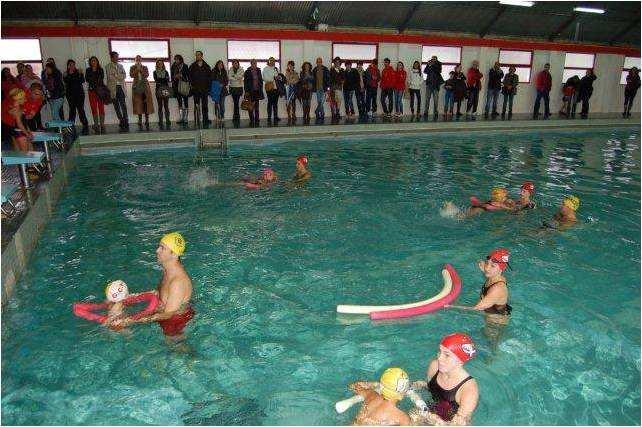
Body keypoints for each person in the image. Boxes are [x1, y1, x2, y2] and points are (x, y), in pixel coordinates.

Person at [111, 232, 194, 341]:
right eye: (159, 246)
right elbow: (158, 293)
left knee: (177, 349)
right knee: (116, 315)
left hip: (175, 320)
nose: (157, 251)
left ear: (173, 254)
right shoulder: (168, 271)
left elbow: (168, 314)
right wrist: (129, 298)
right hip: (162, 310)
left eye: (162, 248)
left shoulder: (178, 283)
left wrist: (131, 321)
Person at [410, 333, 478, 426]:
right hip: (431, 410)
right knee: (413, 415)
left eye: (447, 355)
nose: (440, 358)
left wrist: (436, 421)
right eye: (440, 352)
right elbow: (432, 389)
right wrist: (418, 385)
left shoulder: (469, 390)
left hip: (447, 422)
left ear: (460, 360)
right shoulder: (435, 366)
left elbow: (461, 423)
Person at [1, 88, 33, 152]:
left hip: (19, 131)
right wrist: (27, 133)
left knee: (25, 152)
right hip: (20, 132)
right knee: (26, 153)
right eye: (24, 98)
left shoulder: (17, 108)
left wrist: (28, 131)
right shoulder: (16, 110)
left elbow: (24, 122)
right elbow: (19, 124)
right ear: (18, 99)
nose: (25, 100)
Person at [63, 59, 89, 135]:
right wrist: (67, 76)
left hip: (80, 94)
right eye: (70, 65)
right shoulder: (65, 74)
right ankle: (70, 126)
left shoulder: (78, 72)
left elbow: (82, 80)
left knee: (81, 110)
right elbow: (67, 82)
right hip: (70, 95)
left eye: (73, 64)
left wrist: (81, 74)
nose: (72, 66)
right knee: (72, 111)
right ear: (68, 66)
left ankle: (85, 125)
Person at [105, 51, 129, 130]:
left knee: (123, 105)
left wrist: (116, 75)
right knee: (116, 106)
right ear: (112, 58)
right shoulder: (108, 66)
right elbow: (110, 77)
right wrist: (119, 76)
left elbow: (124, 75)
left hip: (121, 87)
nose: (117, 58)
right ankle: (121, 120)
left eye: (117, 56)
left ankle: (126, 120)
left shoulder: (121, 66)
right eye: (115, 56)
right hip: (113, 88)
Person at [130, 55, 154, 130]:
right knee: (138, 103)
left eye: (139, 59)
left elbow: (146, 75)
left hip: (145, 86)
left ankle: (147, 120)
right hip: (136, 87)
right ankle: (140, 120)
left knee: (146, 103)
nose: (138, 60)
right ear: (135, 60)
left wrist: (141, 70)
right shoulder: (132, 67)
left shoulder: (145, 67)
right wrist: (137, 69)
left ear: (141, 60)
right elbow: (131, 75)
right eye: (137, 59)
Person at [189, 51, 212, 126]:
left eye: (199, 55)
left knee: (205, 105)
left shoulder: (206, 66)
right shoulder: (192, 66)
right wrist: (192, 85)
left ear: (202, 56)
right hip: (196, 89)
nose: (197, 56)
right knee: (196, 105)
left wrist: (208, 88)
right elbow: (189, 77)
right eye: (196, 55)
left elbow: (210, 78)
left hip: (204, 89)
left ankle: (205, 119)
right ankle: (197, 120)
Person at [85, 56, 106, 134]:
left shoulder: (100, 69)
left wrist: (93, 80)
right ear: (90, 62)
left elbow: (101, 79)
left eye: (95, 61)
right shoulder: (88, 70)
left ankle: (102, 124)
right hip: (91, 91)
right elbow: (87, 79)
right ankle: (96, 124)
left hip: (100, 91)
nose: (93, 62)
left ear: (97, 61)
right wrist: (94, 80)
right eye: (92, 61)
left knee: (101, 107)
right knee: (93, 108)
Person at [171, 54, 190, 125]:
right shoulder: (173, 66)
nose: (176, 60)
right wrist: (175, 76)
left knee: (185, 101)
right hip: (176, 86)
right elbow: (172, 76)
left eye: (177, 59)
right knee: (179, 102)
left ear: (180, 59)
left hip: (184, 86)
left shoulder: (185, 66)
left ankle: (186, 118)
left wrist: (181, 76)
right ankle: (181, 117)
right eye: (175, 59)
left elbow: (188, 76)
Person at [243, 59, 264, 124]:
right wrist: (246, 91)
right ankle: (252, 119)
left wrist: (261, 88)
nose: (254, 64)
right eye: (253, 63)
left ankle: (257, 119)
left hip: (257, 91)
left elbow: (261, 80)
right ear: (251, 64)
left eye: (255, 63)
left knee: (257, 107)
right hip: (250, 91)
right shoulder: (247, 71)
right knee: (250, 106)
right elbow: (245, 82)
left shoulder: (259, 71)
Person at [154, 59, 172, 129]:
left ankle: (168, 120)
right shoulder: (154, 72)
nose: (160, 64)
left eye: (161, 63)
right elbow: (156, 80)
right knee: (160, 106)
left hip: (165, 89)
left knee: (166, 106)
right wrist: (163, 79)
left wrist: (162, 80)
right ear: (157, 64)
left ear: (163, 64)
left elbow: (167, 80)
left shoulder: (166, 72)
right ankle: (160, 120)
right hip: (158, 89)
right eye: (158, 63)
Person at [262, 57, 279, 122]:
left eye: (273, 61)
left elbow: (277, 77)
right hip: (269, 88)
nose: (272, 62)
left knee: (275, 103)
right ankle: (269, 117)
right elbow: (265, 78)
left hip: (276, 88)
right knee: (270, 103)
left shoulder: (275, 68)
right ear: (268, 61)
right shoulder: (265, 69)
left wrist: (278, 77)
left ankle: (275, 117)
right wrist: (273, 78)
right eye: (271, 61)